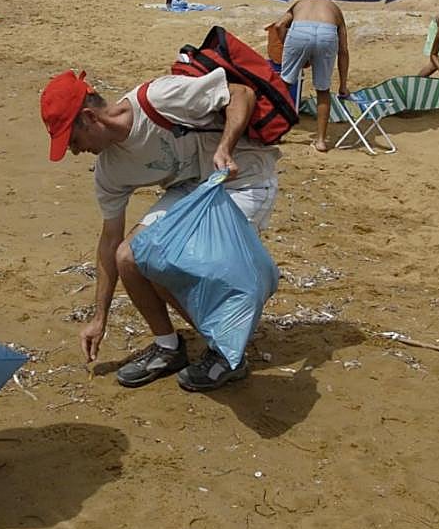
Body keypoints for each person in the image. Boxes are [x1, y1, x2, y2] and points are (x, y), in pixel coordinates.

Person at [40, 67, 280, 392]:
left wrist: (225, 147)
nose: (74, 151)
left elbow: (241, 94)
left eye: (73, 139)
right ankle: (169, 347)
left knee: (180, 261)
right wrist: (100, 318)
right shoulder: (110, 169)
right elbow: (110, 241)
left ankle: (227, 354)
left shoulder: (158, 98)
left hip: (243, 176)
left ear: (90, 118)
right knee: (130, 256)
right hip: (191, 189)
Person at [267, 0, 350, 153]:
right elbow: (343, 50)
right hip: (327, 33)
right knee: (323, 89)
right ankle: (320, 141)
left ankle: (274, 133)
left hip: (299, 32)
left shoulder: (301, 3)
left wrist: (289, 47)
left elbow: (279, 25)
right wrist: (343, 85)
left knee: (284, 85)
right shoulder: (334, 8)